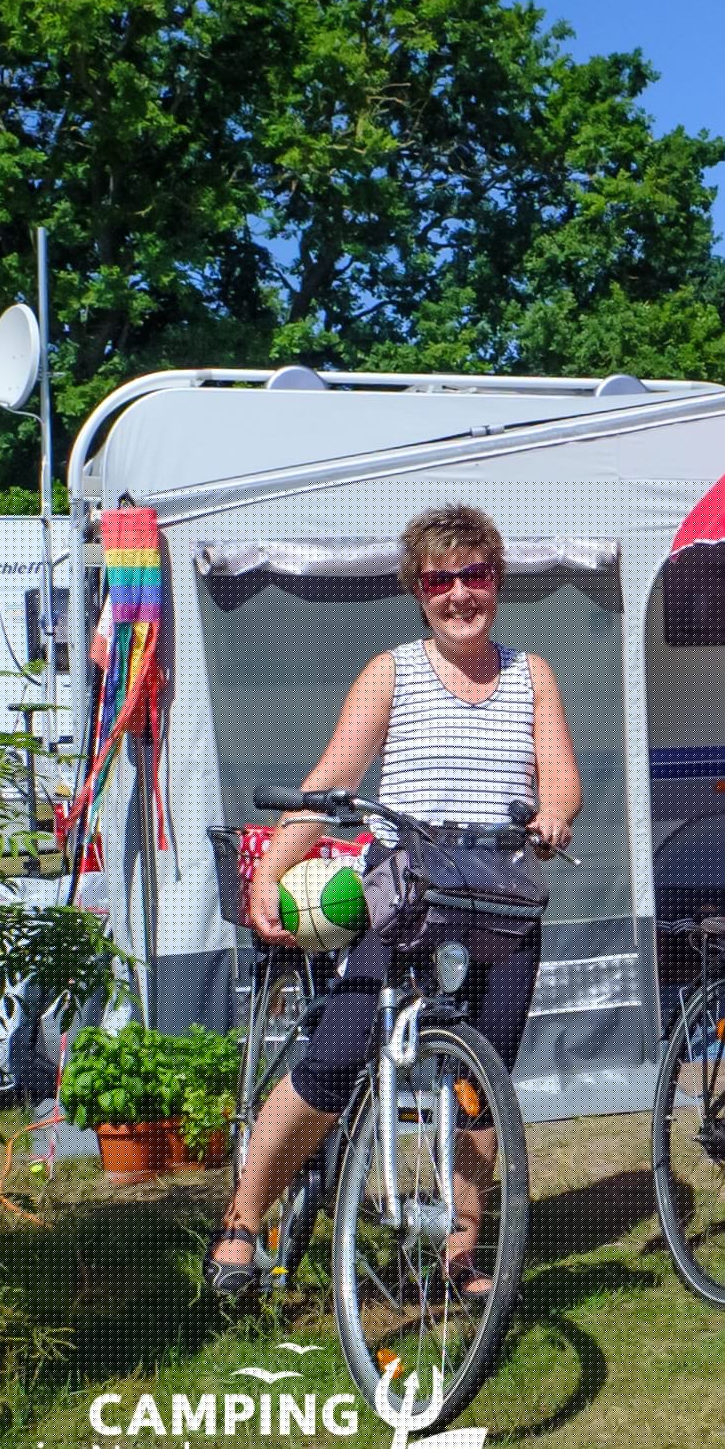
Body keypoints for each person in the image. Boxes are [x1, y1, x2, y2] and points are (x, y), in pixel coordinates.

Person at [204, 504, 581, 1300]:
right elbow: (332, 778)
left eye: (474, 576)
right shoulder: (393, 671)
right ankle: (242, 1218)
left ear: (496, 582)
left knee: (482, 1089)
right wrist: (271, 870)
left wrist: (554, 814)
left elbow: (560, 775)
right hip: (408, 894)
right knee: (335, 1060)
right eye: (440, 580)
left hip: (505, 903)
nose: (458, 595)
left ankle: (462, 1252)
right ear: (418, 590)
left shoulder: (530, 674)